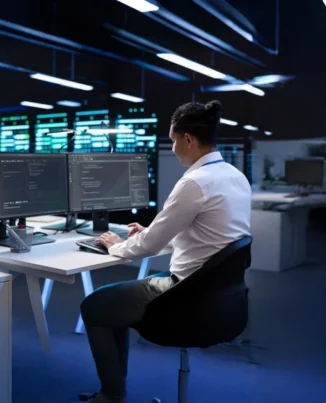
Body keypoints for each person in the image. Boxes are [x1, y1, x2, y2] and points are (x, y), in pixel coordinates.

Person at [78, 101, 252, 403]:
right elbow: (205, 237)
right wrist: (150, 232)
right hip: (220, 297)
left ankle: (111, 395)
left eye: (173, 140)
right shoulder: (235, 177)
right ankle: (114, 392)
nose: (172, 148)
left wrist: (114, 245)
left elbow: (150, 247)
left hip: (183, 296)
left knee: (95, 306)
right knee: (112, 302)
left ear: (188, 139)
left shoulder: (195, 183)